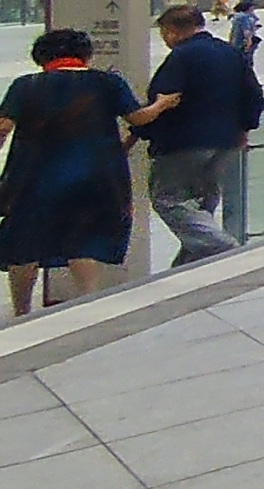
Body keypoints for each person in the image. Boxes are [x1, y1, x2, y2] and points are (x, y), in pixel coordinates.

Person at [0, 29, 179, 315]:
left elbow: (3, 128)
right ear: (84, 54)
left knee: (23, 240)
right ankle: (87, 303)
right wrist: (161, 104)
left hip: (33, 175)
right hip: (96, 173)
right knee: (84, 238)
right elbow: (137, 117)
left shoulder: (26, 85)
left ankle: (22, 311)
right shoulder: (107, 82)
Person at [142, 5, 261, 266]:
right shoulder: (230, 53)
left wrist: (141, 132)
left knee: (169, 200)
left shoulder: (182, 57)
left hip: (183, 141)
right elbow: (253, 94)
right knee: (202, 203)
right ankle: (187, 267)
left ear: (172, 32)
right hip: (227, 140)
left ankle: (225, 248)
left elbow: (163, 99)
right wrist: (244, 128)